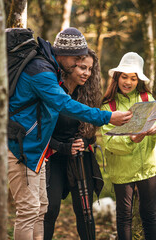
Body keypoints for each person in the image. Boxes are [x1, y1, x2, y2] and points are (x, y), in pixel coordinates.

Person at [7, 27, 132, 240]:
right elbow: (65, 105)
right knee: (29, 211)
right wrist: (107, 117)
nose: (77, 64)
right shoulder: (42, 72)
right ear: (62, 53)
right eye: (76, 59)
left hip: (35, 152)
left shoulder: (50, 69)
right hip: (22, 149)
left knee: (41, 209)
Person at [100, 52, 156, 240]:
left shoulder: (147, 98)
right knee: (124, 217)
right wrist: (132, 139)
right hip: (122, 170)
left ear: (139, 80)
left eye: (133, 78)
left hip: (147, 168)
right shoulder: (108, 106)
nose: (128, 82)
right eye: (124, 77)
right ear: (117, 77)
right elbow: (110, 142)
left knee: (149, 216)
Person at [44, 48, 102, 240]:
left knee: (86, 213)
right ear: (71, 66)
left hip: (80, 157)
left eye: (90, 69)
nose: (87, 73)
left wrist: (84, 141)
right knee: (50, 210)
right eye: (82, 67)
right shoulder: (54, 90)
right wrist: (62, 147)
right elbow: (40, 131)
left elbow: (92, 132)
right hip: (54, 156)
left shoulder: (88, 93)